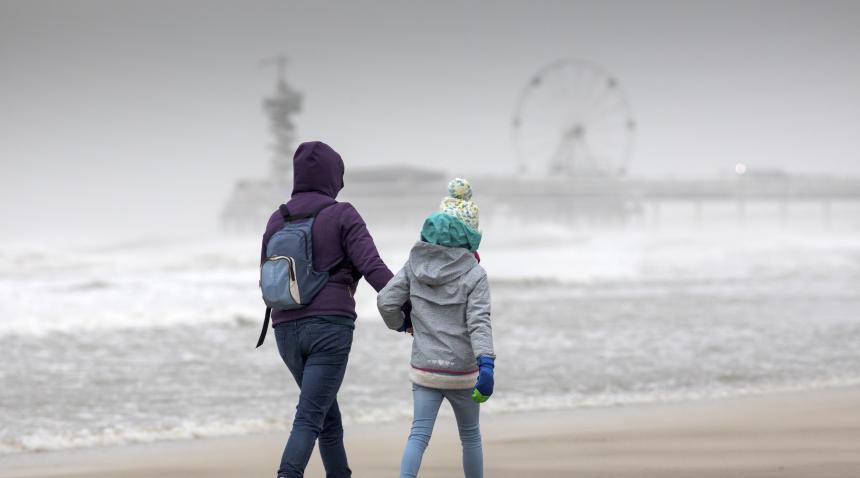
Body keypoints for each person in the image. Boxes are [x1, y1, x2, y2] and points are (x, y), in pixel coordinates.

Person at [260, 141, 408, 478]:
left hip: (284, 331)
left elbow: (267, 278)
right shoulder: (343, 214)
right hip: (329, 328)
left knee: (327, 418)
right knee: (311, 416)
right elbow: (375, 270)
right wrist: (410, 310)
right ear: (333, 175)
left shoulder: (276, 219)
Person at [377, 178, 495, 478]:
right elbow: (479, 321)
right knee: (470, 436)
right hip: (461, 373)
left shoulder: (413, 265)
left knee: (418, 435)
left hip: (425, 370)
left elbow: (386, 301)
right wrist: (487, 364)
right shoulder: (474, 273)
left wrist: (403, 324)